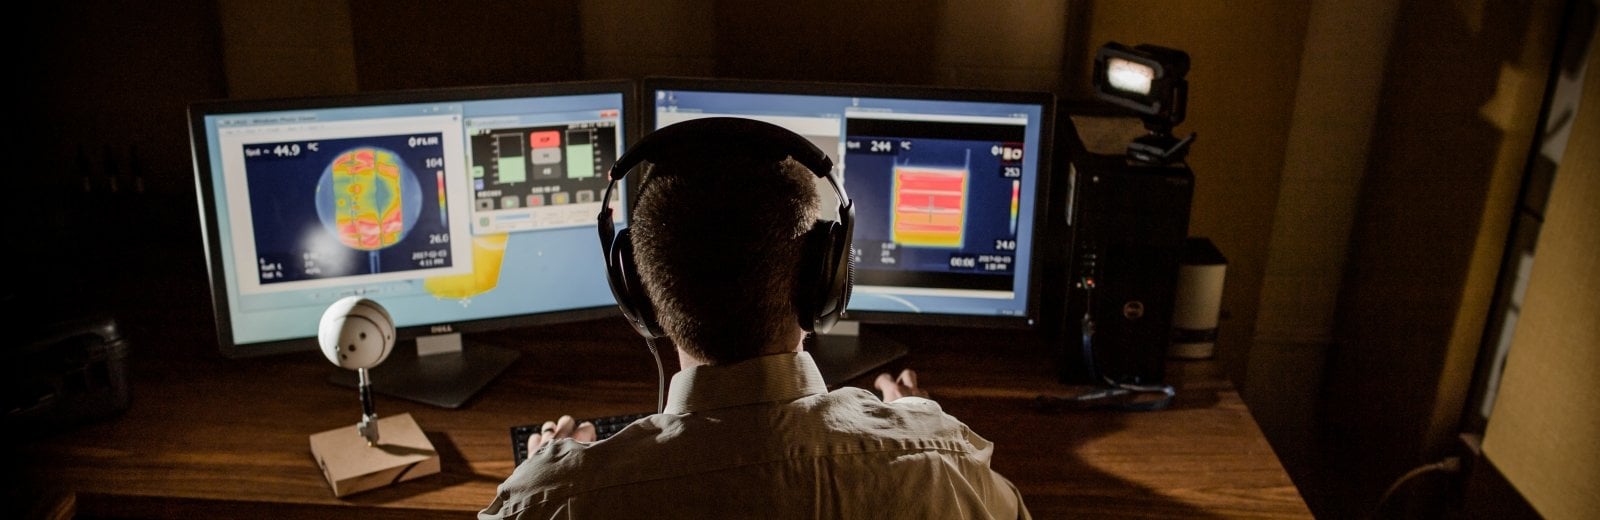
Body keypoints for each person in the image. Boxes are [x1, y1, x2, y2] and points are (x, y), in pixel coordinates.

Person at [480, 124, 1030, 519]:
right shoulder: (943, 463)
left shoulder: (553, 501)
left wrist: (543, 475)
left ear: (638, 297)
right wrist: (906, 430)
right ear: (826, 282)